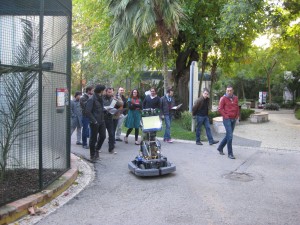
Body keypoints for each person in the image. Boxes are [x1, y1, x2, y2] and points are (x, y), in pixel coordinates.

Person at [217, 85, 240, 159]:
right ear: (226, 91)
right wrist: (226, 116)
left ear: (233, 91)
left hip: (234, 119)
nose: (229, 92)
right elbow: (220, 109)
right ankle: (230, 154)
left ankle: (220, 147)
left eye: (230, 90)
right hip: (227, 119)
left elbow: (237, 107)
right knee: (230, 136)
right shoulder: (223, 98)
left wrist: (237, 116)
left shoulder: (235, 98)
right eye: (228, 90)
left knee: (228, 136)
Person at [85, 84, 106, 161]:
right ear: (101, 91)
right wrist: (94, 121)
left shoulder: (100, 98)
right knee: (93, 139)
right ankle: (92, 155)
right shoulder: (92, 99)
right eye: (103, 90)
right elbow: (88, 112)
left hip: (102, 121)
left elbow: (100, 108)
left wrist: (106, 110)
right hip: (95, 122)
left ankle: (97, 150)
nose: (104, 92)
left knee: (103, 136)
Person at [103, 87, 117, 154]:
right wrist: (105, 109)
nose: (110, 93)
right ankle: (97, 148)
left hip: (110, 118)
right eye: (109, 92)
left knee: (111, 134)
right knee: (102, 135)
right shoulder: (101, 98)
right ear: (106, 92)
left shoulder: (113, 99)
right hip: (102, 118)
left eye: (111, 92)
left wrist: (116, 111)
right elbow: (99, 107)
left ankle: (111, 149)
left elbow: (115, 107)